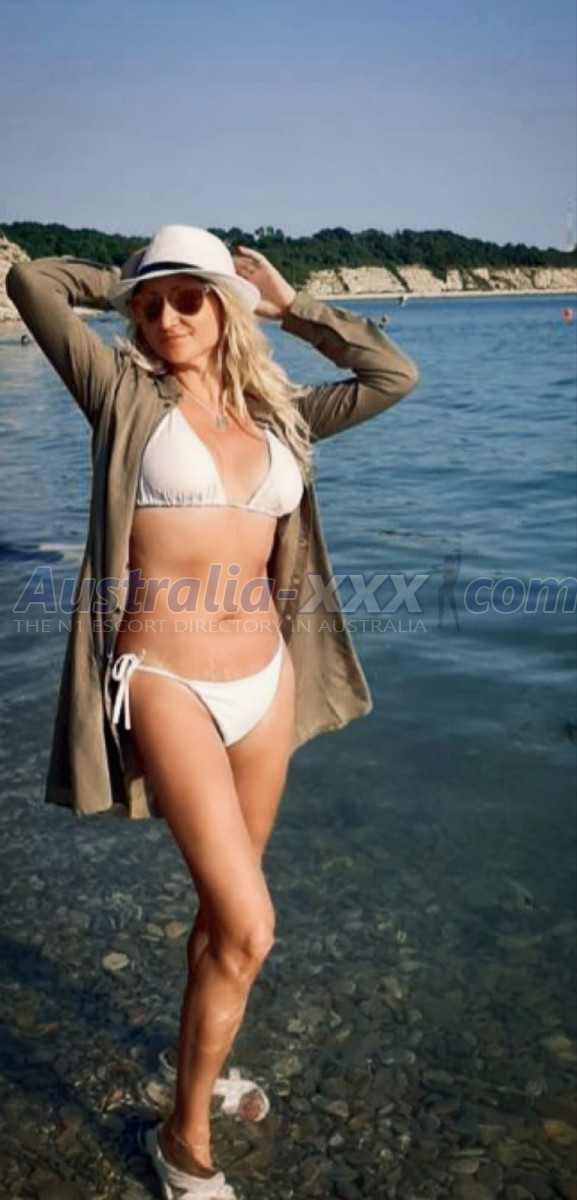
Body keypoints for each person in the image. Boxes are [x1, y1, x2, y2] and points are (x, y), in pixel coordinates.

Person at [7, 224, 419, 1200]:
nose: (167, 316)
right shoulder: (122, 394)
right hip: (166, 678)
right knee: (250, 926)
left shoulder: (282, 414)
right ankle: (183, 1143)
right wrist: (129, 278)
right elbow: (31, 282)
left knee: (220, 920)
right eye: (151, 304)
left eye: (189, 297)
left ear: (226, 306)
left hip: (265, 682)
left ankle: (196, 1058)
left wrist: (293, 306)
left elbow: (391, 374)